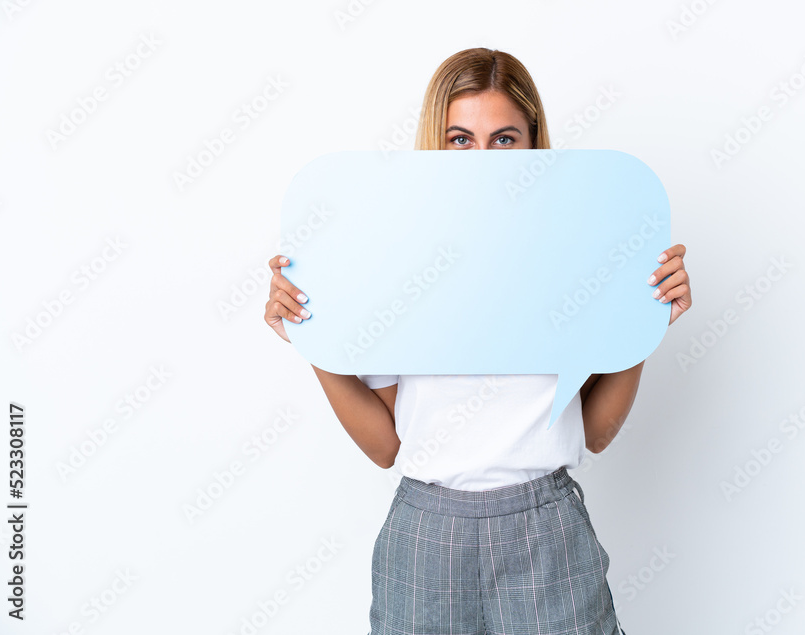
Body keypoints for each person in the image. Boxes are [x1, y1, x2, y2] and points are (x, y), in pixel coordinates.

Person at [264, 47, 692, 634]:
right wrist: (313, 336)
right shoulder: (396, 265)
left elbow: (595, 432)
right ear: (436, 146)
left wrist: (640, 323)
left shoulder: (582, 256)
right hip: (425, 534)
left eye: (504, 139)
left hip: (549, 530)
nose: (483, 159)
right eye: (461, 139)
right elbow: (387, 445)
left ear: (533, 142)